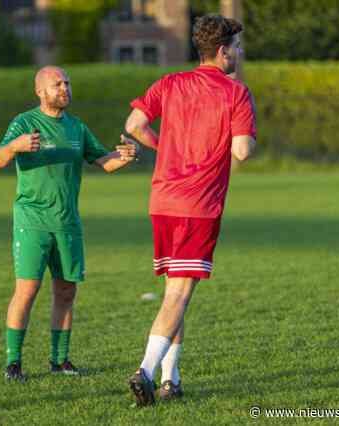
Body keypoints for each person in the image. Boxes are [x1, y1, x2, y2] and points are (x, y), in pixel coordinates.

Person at [124, 14, 257, 406]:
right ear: (222, 51)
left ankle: (171, 379)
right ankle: (146, 371)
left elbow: (134, 124)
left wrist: (165, 146)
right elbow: (242, 151)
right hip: (198, 204)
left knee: (174, 291)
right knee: (180, 292)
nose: (240, 52)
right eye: (237, 46)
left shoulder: (170, 83)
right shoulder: (236, 92)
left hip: (162, 200)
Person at [0, 66, 139, 381]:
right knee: (28, 289)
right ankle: (13, 363)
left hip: (68, 221)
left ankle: (59, 361)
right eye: (57, 84)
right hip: (32, 220)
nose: (64, 88)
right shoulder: (24, 122)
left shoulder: (76, 127)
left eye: (67, 83)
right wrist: (14, 147)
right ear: (40, 91)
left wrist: (126, 155)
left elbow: (104, 160)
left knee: (66, 291)